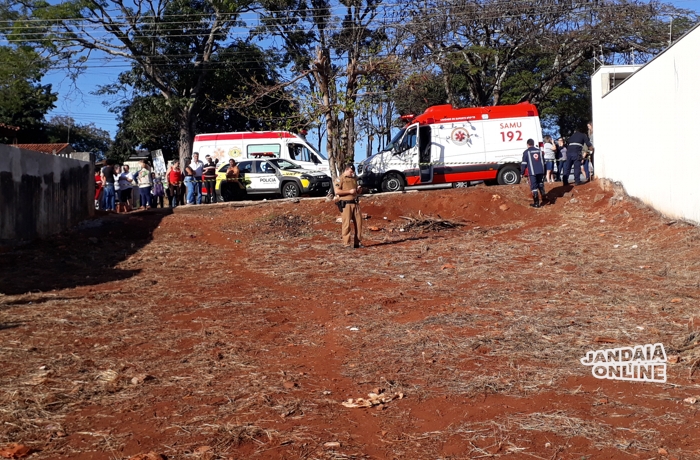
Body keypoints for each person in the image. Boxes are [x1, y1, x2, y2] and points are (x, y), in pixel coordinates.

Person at [333, 164, 363, 248]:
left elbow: (356, 190)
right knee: (346, 224)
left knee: (359, 223)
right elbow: (337, 191)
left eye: (353, 172)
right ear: (346, 170)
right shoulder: (340, 179)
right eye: (350, 171)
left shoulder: (354, 179)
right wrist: (349, 191)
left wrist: (359, 190)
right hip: (346, 204)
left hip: (355, 203)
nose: (352, 173)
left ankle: (358, 242)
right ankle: (346, 244)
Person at [521, 138, 546, 208]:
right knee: (540, 183)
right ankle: (544, 197)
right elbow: (544, 162)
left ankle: (536, 203)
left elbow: (524, 163)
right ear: (533, 143)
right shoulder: (539, 151)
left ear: (528, 144)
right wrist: (544, 171)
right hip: (541, 171)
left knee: (534, 187)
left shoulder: (526, 152)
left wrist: (522, 173)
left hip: (532, 172)